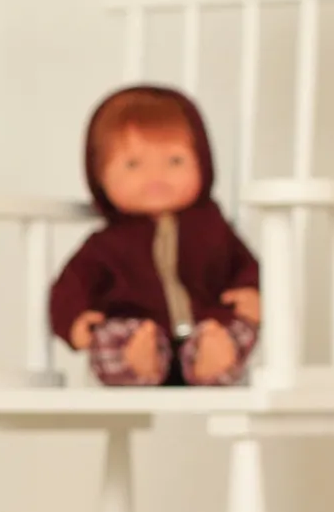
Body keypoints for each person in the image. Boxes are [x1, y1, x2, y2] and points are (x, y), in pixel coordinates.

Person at [50, 84, 262, 387]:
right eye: (133, 164)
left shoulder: (213, 228)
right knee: (110, 336)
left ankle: (212, 361)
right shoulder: (106, 244)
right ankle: (137, 363)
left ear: (203, 164)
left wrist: (252, 291)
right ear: (99, 177)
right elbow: (72, 285)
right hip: (139, 326)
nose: (155, 177)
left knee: (236, 328)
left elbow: (245, 265)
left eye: (174, 161)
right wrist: (73, 320)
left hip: (206, 323)